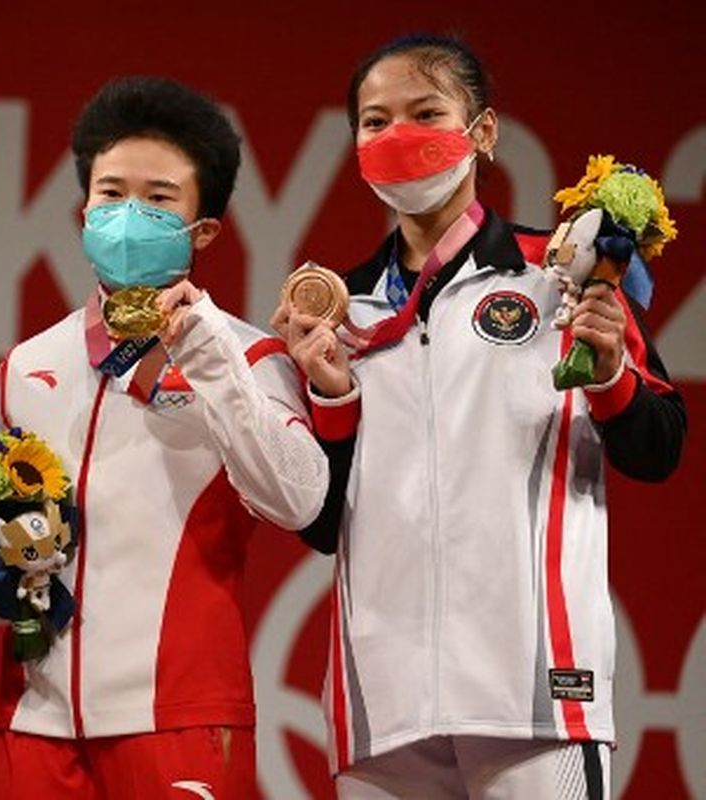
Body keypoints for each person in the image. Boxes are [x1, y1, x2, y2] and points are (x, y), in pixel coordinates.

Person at [271, 34, 686, 798]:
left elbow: (660, 448)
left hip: (532, 691)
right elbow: (323, 526)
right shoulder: (343, 312)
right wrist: (331, 397)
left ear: (483, 132)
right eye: (375, 121)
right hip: (383, 706)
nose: (399, 137)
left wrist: (611, 380)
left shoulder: (558, 272)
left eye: (426, 113)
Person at [0, 76, 329, 799]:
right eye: (111, 194)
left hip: (180, 719)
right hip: (32, 721)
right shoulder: (26, 367)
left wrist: (205, 356)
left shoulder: (251, 359)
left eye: (159, 199)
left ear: (202, 229)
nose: (128, 215)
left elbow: (298, 500)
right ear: (83, 212)